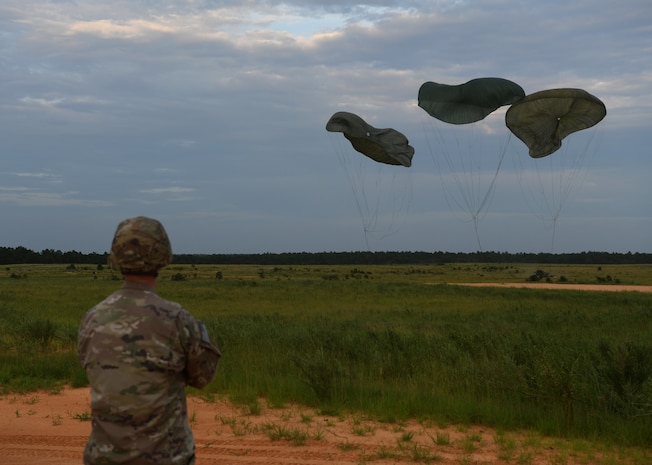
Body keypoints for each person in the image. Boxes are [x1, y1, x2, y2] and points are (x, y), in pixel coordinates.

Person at [78, 216, 221, 465]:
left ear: (117, 257)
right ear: (162, 256)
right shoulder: (176, 319)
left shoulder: (93, 319)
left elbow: (91, 368)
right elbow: (203, 377)